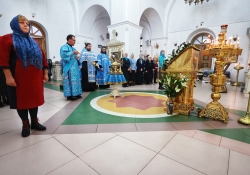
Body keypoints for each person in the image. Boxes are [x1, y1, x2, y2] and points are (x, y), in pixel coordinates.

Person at [0, 15, 48, 137]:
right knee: (22, 102)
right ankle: (25, 124)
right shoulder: (7, 39)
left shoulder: (34, 41)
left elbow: (42, 57)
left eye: (27, 23)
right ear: (15, 24)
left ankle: (34, 122)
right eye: (22, 22)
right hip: (19, 78)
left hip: (35, 78)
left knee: (34, 100)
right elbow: (3, 59)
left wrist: (45, 72)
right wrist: (8, 77)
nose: (26, 24)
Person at [60, 34, 82, 100]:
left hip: (75, 68)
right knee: (69, 80)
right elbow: (63, 55)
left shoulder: (73, 48)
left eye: (75, 40)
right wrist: (72, 53)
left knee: (76, 80)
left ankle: (77, 93)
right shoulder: (64, 47)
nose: (75, 41)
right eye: (74, 40)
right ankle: (70, 95)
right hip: (69, 68)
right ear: (69, 39)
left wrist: (77, 57)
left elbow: (75, 56)